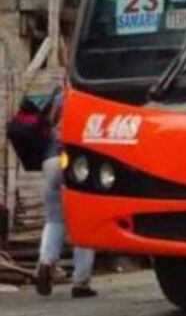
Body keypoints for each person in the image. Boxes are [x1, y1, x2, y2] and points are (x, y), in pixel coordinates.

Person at [35, 87, 96, 299]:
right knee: (84, 223)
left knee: (54, 220)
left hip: (51, 158)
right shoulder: (89, 97)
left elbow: (48, 124)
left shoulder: (58, 96)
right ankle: (81, 282)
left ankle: (46, 261)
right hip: (75, 161)